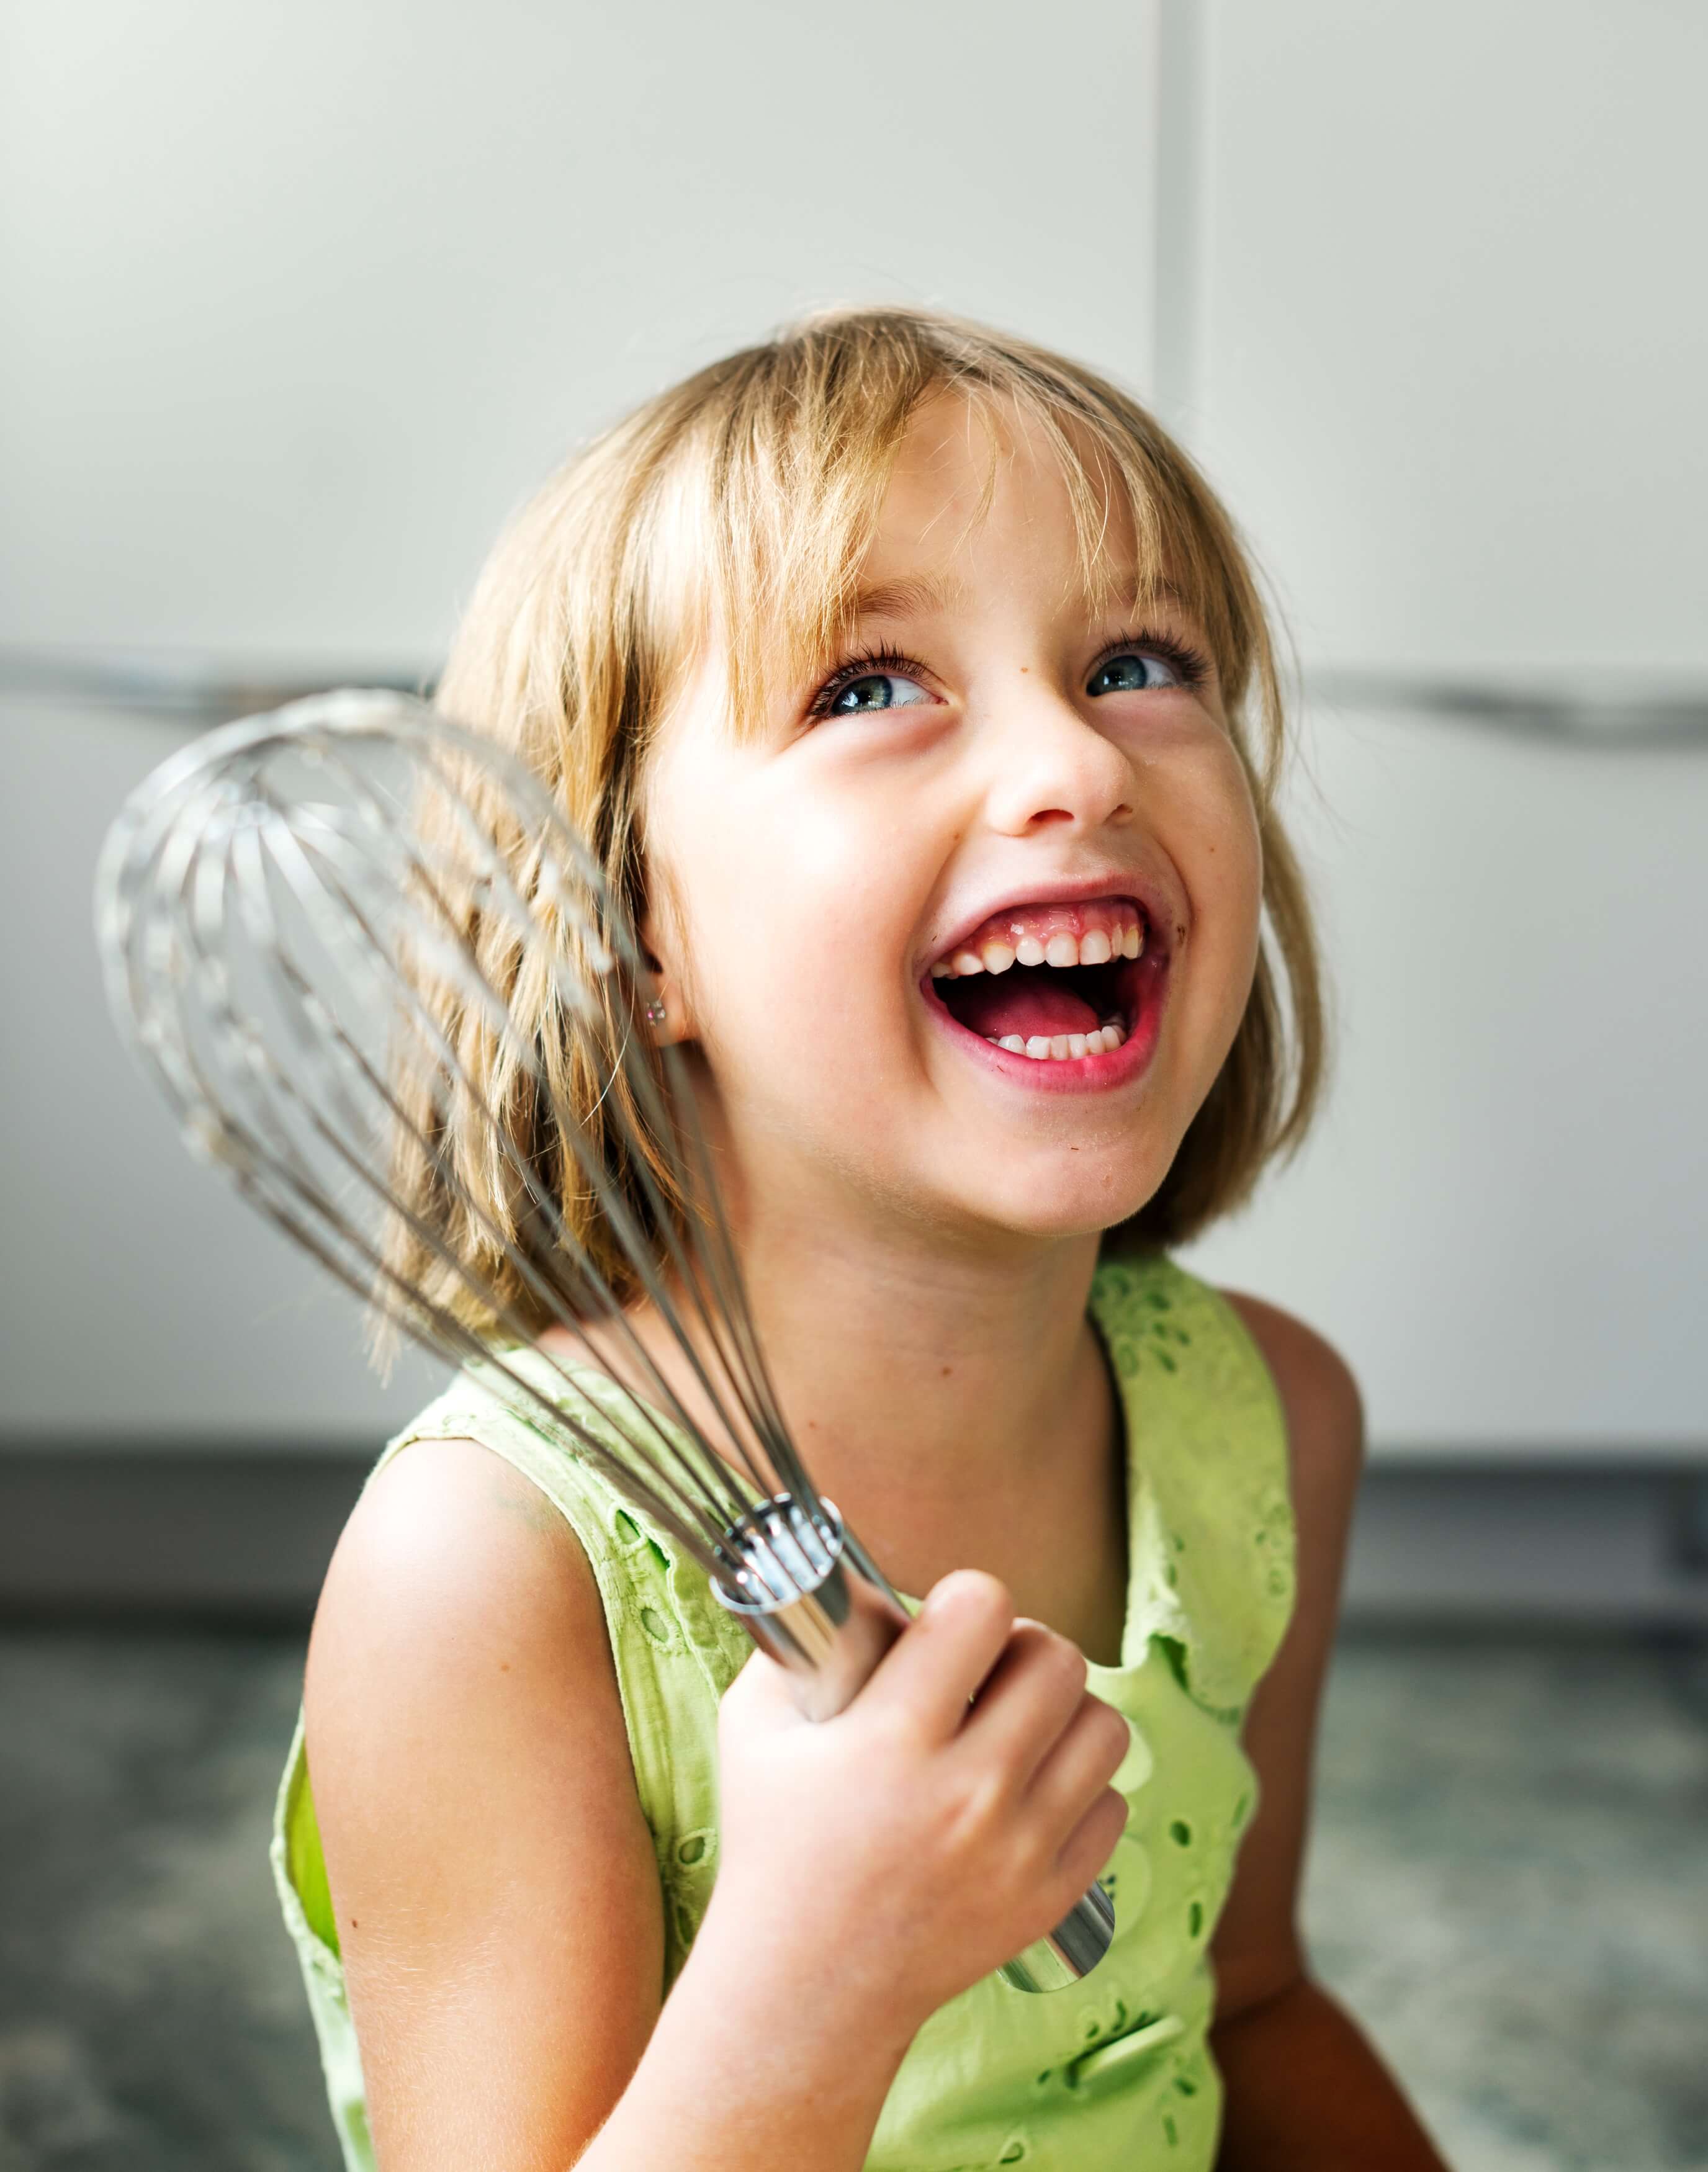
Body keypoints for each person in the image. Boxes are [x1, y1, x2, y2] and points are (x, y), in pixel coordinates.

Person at [272, 307, 1449, 2170]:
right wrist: (817, 1974)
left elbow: (1250, 2003)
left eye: (1139, 659)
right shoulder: (487, 1575)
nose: (1076, 759)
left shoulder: (1265, 1422)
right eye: (870, 687)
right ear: (628, 927)